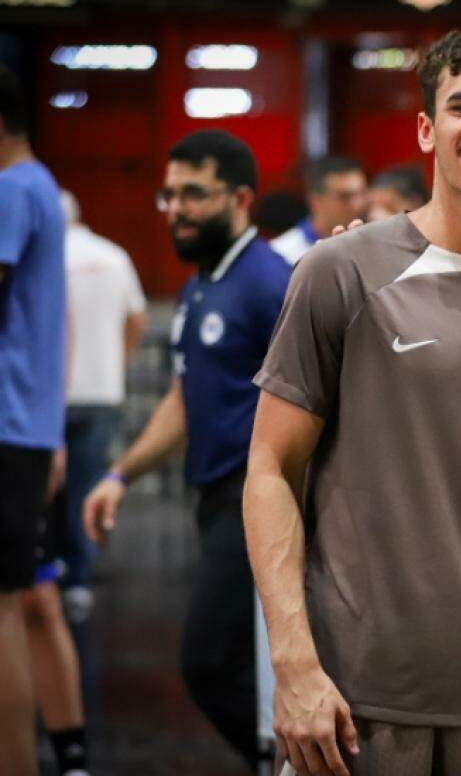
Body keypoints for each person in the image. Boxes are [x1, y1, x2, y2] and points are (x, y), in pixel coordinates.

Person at [245, 26, 461, 776]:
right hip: (354, 688)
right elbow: (270, 469)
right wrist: (294, 668)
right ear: (429, 130)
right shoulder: (340, 271)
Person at [82, 129, 291, 770]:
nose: (176, 209)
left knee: (206, 661)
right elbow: (184, 398)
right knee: (239, 660)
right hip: (215, 502)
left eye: (194, 195)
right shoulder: (204, 284)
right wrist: (120, 472)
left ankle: (286, 760)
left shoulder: (268, 284)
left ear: (242, 199)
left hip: (254, 502)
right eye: (169, 195)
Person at [0, 64, 69, 776]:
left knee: (3, 613)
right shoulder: (39, 185)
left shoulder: (13, 189)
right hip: (24, 423)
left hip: (7, 423)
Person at [59, 189, 148, 612]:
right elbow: (137, 317)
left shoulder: (40, 257)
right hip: (102, 392)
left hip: (50, 396)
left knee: (45, 488)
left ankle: (48, 569)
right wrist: (117, 362)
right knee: (88, 484)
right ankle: (80, 574)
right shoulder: (114, 256)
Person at [271, 156, 368, 265]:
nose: (358, 205)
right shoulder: (282, 254)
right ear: (315, 201)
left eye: (362, 193)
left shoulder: (373, 241)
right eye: (344, 197)